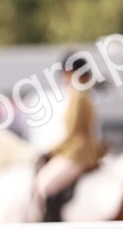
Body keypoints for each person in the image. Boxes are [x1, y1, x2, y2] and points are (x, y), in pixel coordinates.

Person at [33, 52, 105, 220]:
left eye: (65, 73)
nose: (63, 77)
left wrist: (50, 151)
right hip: (76, 150)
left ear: (73, 73)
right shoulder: (79, 93)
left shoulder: (79, 96)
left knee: (45, 186)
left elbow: (73, 133)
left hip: (79, 153)